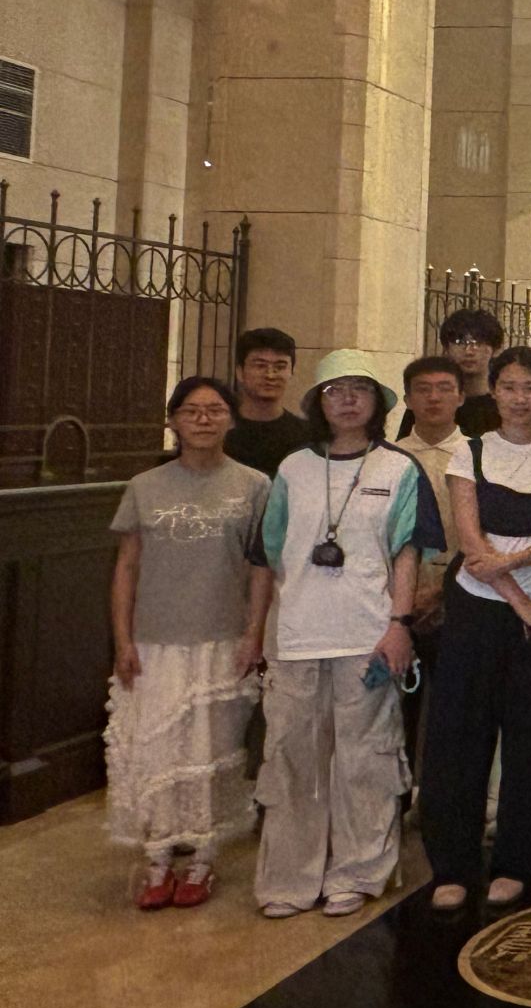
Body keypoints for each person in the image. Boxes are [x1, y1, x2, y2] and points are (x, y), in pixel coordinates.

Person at [247, 351, 437, 918]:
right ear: (318, 403)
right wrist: (255, 634)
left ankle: (359, 871)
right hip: (296, 637)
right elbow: (266, 557)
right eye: (335, 390)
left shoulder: (399, 469)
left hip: (367, 639)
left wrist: (399, 626)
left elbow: (407, 554)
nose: (348, 399)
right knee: (291, 760)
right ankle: (288, 878)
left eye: (360, 388)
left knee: (366, 761)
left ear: (378, 401)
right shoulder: (292, 469)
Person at [421, 346, 531, 913]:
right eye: (509, 387)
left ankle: (517, 862)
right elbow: (472, 545)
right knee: (460, 737)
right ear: (493, 391)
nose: (520, 398)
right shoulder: (469, 452)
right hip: (478, 609)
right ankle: (453, 865)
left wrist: (519, 569)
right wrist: (519, 601)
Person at [106, 377, 270, 910]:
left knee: (212, 750)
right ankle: (157, 861)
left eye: (215, 409)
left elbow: (261, 569)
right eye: (191, 411)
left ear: (230, 419)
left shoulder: (254, 485)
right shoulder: (145, 486)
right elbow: (127, 567)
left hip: (223, 637)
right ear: (173, 421)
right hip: (155, 640)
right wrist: (123, 639)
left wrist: (255, 632)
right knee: (156, 754)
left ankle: (202, 859)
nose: (203, 419)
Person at [393, 356, 466, 766]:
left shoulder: (476, 455)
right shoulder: (389, 457)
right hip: (397, 606)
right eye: (423, 389)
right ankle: (397, 796)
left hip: (461, 601)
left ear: (461, 396)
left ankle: (441, 796)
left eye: (444, 388)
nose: (433, 397)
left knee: (453, 714)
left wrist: (442, 591)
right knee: (395, 714)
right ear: (407, 399)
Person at [395, 309, 503, 439]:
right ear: (446, 348)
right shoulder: (432, 402)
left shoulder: (504, 404)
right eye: (459, 342)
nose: (469, 351)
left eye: (478, 343)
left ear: (495, 349)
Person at [224, 327, 312, 477]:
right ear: (240, 372)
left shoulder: (307, 437)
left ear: (291, 372)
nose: (270, 375)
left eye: (280, 367)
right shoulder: (221, 431)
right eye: (260, 366)